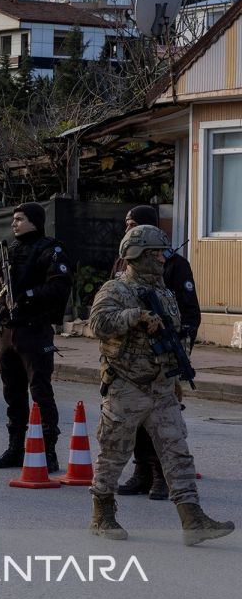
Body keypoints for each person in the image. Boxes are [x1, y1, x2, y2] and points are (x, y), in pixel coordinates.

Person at [88, 225, 233, 546]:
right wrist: (135, 316)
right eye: (155, 253)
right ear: (136, 255)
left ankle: (192, 518)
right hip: (126, 385)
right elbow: (97, 323)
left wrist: (176, 370)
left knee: (177, 451)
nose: (162, 258)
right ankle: (103, 514)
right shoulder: (116, 290)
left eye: (163, 252)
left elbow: (174, 336)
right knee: (114, 453)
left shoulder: (166, 293)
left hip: (160, 387)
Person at [110, 205, 201, 501]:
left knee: (163, 422)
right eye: (126, 224)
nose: (127, 230)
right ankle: (141, 473)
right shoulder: (124, 262)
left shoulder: (174, 264)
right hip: (129, 359)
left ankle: (161, 476)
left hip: (162, 358)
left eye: (133, 224)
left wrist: (178, 351)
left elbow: (189, 314)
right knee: (133, 419)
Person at [0, 202, 72, 473]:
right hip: (9, 331)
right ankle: (15, 448)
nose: (14, 224)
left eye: (19, 219)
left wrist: (29, 296)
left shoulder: (50, 250)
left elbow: (59, 286)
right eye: (13, 219)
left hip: (35, 330)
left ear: (34, 221)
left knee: (40, 391)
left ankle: (48, 451)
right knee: (13, 392)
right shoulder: (11, 250)